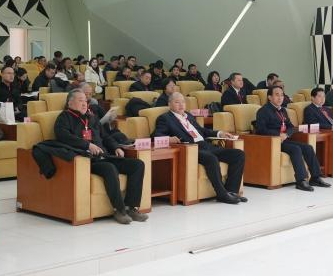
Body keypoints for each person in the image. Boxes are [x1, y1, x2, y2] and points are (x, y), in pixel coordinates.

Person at [55, 89, 147, 224]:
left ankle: (131, 207)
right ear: (70, 103)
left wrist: (116, 147)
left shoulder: (91, 118)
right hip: (87, 160)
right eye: (80, 100)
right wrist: (87, 145)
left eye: (85, 101)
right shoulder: (64, 118)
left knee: (137, 165)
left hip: (105, 156)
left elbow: (105, 136)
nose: (84, 103)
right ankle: (119, 210)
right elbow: (64, 137)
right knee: (109, 168)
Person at [153, 92, 246, 204]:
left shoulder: (188, 116)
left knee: (238, 155)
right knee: (211, 158)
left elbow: (202, 131)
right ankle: (222, 194)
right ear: (169, 104)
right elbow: (156, 137)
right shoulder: (165, 118)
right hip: (191, 148)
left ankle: (232, 191)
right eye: (177, 102)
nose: (181, 105)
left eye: (183, 102)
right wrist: (169, 139)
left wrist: (220, 133)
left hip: (205, 145)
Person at [255, 86, 329, 191]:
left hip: (285, 139)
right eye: (277, 95)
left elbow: (291, 127)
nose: (280, 98)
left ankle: (315, 177)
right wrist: (278, 134)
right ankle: (301, 180)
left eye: (282, 95)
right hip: (272, 141)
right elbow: (260, 130)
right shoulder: (263, 111)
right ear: (269, 97)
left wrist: (286, 134)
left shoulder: (283, 110)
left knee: (308, 147)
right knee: (295, 149)